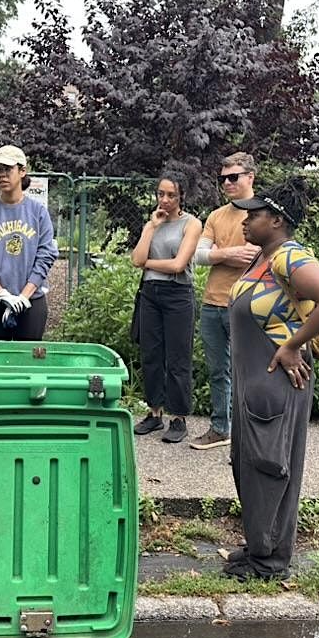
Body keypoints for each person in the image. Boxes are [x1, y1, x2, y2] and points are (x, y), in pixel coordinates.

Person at [225, 177, 319, 579]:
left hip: (276, 382)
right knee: (246, 462)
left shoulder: (288, 257)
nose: (245, 220)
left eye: (255, 215)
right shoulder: (263, 257)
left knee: (270, 465)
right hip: (252, 382)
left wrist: (294, 344)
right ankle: (258, 545)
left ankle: (271, 561)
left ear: (277, 220)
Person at [191, 153, 261, 451]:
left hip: (246, 304)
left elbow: (253, 256)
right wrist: (227, 254)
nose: (227, 183)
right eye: (223, 179)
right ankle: (221, 429)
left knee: (247, 372)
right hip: (212, 304)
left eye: (233, 177)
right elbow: (197, 255)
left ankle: (250, 436)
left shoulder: (261, 212)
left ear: (250, 177)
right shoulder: (216, 215)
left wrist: (218, 252)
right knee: (218, 371)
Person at [131, 174, 203, 444]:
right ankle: (154, 412)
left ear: (182, 196)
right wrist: (151, 227)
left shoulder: (192, 224)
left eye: (171, 195)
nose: (165, 200)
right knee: (151, 354)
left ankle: (178, 417)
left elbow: (178, 265)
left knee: (177, 358)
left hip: (178, 294)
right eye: (161, 194)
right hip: (151, 293)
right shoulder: (154, 222)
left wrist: (147, 262)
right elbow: (136, 259)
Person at [0, 145, 58, 341]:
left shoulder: (38, 212)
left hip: (31, 300)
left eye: (8, 169)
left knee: (27, 360)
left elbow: (46, 256)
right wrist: (0, 293)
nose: (2, 175)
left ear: (22, 171)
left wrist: (24, 296)